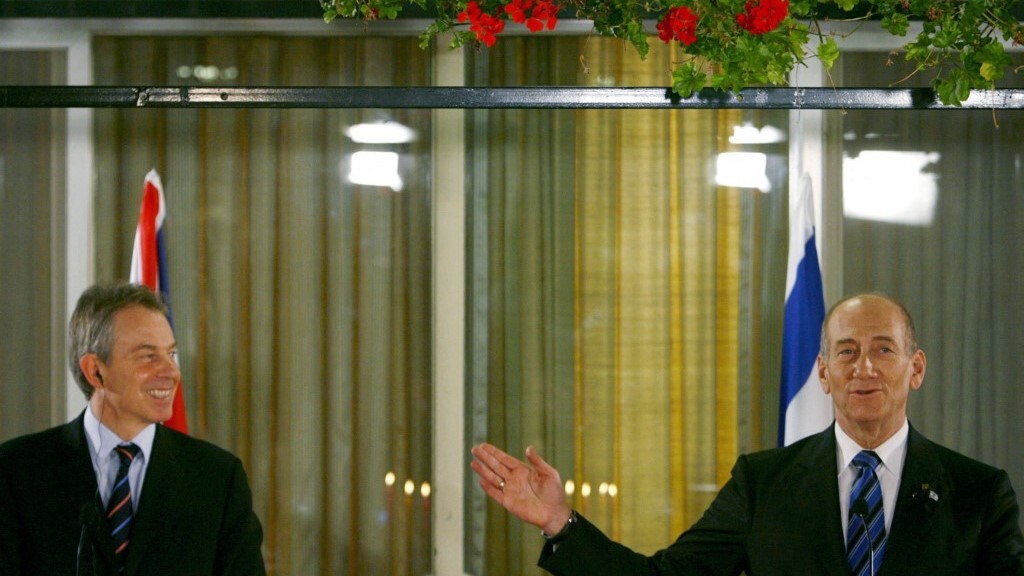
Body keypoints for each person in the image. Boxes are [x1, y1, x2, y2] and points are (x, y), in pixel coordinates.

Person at [471, 292, 1024, 575]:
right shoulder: (763, 483)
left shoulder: (979, 492)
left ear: (917, 367)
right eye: (847, 352)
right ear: (823, 373)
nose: (865, 368)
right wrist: (558, 522)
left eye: (883, 349)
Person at [0, 282, 266, 576]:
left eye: (171, 354)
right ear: (96, 371)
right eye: (148, 356)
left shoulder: (217, 479)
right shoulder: (16, 471)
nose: (171, 372)